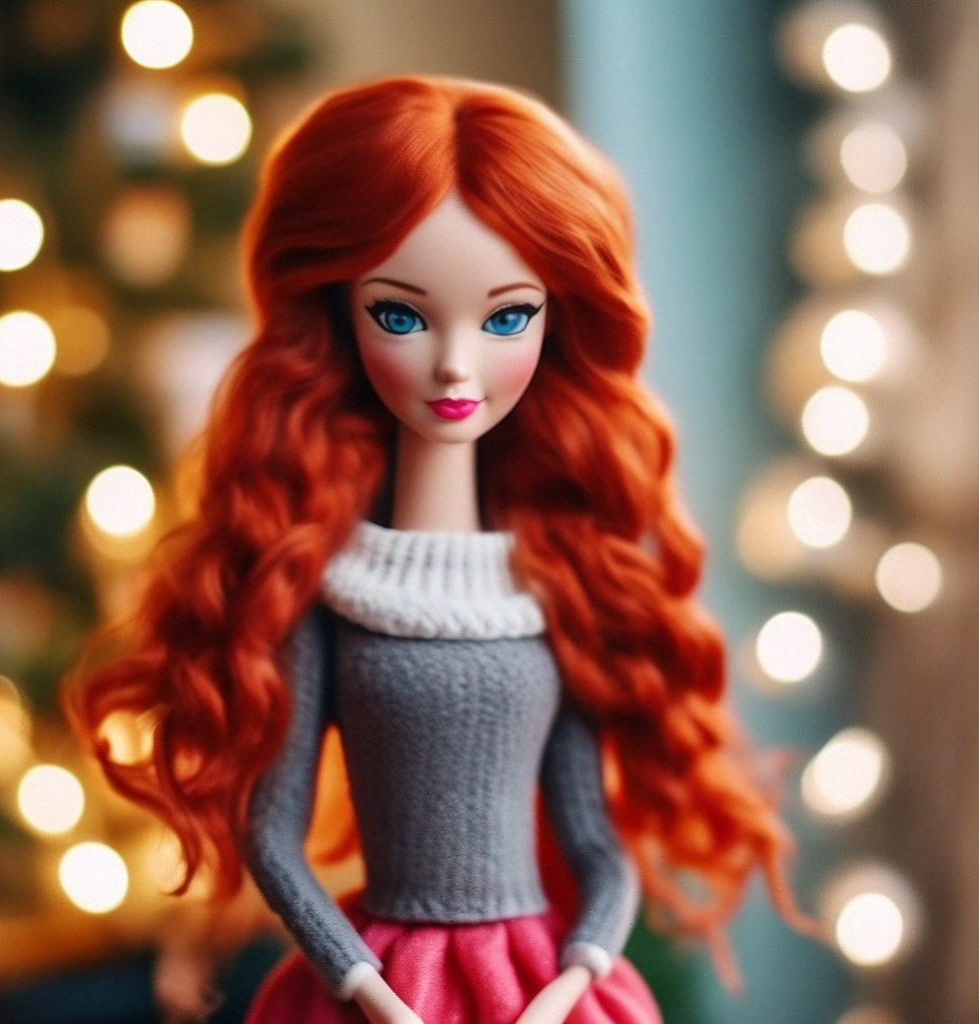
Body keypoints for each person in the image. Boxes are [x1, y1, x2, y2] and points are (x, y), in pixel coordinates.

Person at [69, 76, 817, 1024]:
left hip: (535, 982)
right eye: (401, 315)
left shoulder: (554, 585)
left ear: (556, 319)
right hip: (379, 984)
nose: (456, 364)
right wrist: (367, 988)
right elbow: (275, 841)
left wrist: (572, 981)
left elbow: (598, 847)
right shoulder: (327, 590)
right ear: (337, 313)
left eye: (506, 317)